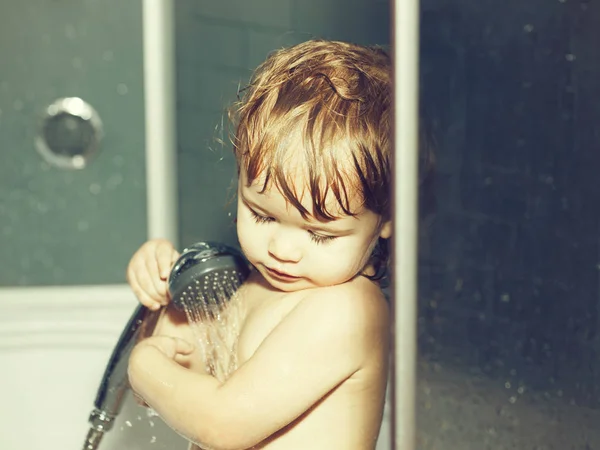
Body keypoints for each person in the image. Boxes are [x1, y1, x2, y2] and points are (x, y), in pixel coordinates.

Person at [126, 39, 395, 450]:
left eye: (320, 234)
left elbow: (222, 426)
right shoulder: (256, 286)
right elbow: (181, 380)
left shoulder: (348, 309)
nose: (282, 250)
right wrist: (165, 293)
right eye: (264, 216)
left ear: (386, 220)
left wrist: (143, 364)